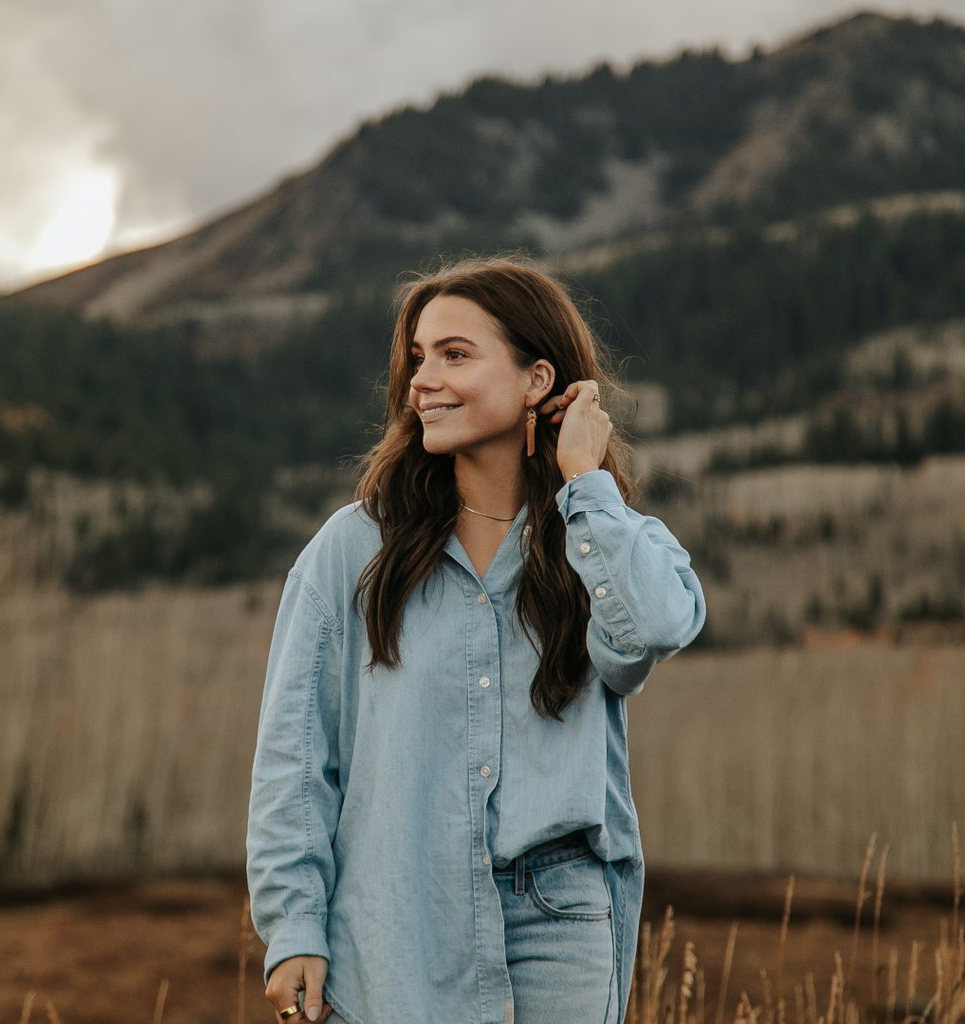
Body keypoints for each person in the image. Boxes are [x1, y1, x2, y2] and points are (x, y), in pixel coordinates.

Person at [246, 258, 705, 1024]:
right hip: (397, 921)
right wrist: (293, 923)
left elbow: (654, 631)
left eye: (455, 354)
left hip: (563, 920)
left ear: (537, 379)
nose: (423, 379)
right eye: (418, 358)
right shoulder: (354, 551)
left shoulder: (601, 537)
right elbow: (296, 756)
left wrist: (583, 483)